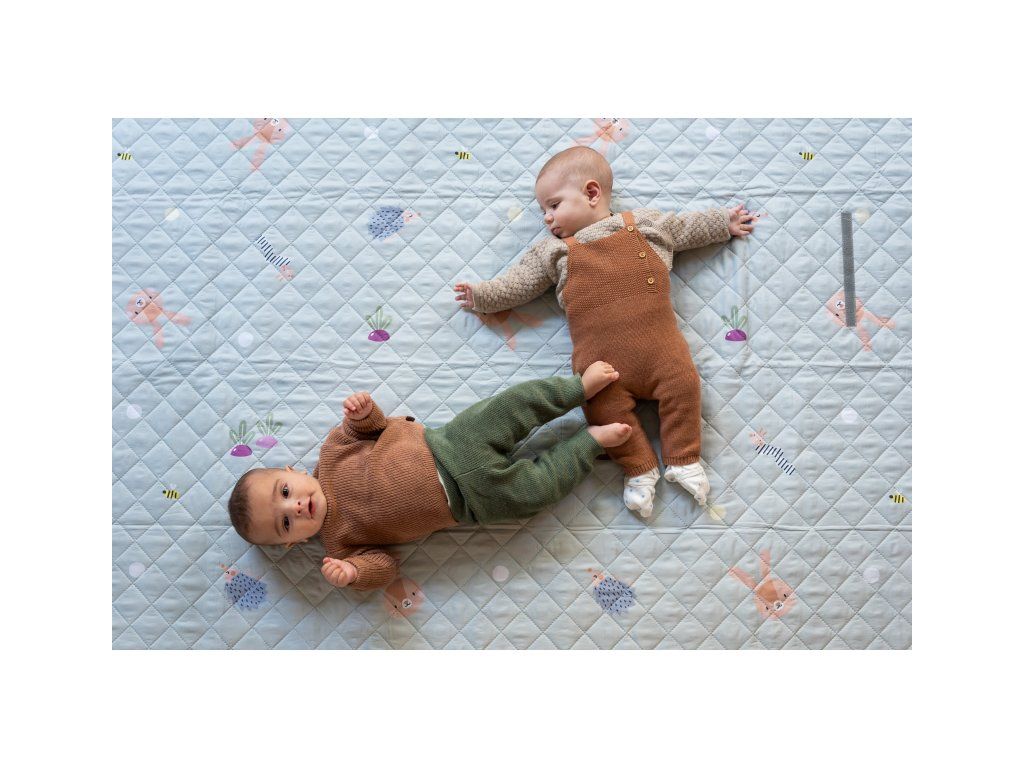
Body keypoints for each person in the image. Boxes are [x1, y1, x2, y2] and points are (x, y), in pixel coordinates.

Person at [454, 146, 759, 516]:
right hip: (602, 369)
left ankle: (684, 458)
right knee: (602, 412)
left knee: (684, 385)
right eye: (543, 211)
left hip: (662, 353)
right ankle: (639, 469)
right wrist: (484, 296)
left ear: (592, 193)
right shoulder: (554, 251)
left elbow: (686, 227)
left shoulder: (644, 224)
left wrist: (723, 223)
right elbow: (519, 283)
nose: (547, 218)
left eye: (553, 205)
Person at [227, 361, 630, 590]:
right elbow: (386, 566)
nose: (296, 507)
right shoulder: (339, 545)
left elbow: (370, 428)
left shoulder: (332, 452)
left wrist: (362, 412)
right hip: (472, 502)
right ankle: (590, 443)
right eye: (285, 523)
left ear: (291, 471)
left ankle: (576, 389)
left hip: (452, 443)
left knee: (512, 406)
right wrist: (353, 574)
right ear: (293, 544)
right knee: (535, 492)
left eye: (285, 492)